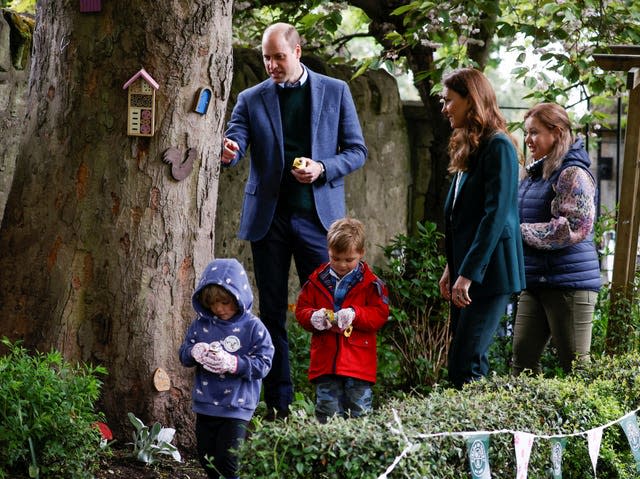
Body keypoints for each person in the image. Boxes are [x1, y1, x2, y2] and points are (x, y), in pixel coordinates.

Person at [221, 22, 367, 419]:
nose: (271, 64)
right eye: (266, 57)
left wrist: (322, 167)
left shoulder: (335, 92)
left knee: (327, 311)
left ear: (297, 52)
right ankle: (278, 406)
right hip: (268, 221)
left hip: (318, 221)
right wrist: (230, 151)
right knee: (271, 314)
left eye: (278, 57)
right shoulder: (251, 98)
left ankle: (331, 403)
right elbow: (236, 142)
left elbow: (357, 151)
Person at [437, 68, 526, 389]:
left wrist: (468, 273)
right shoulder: (470, 145)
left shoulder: (498, 146)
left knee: (466, 360)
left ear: (470, 100)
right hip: (470, 270)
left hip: (491, 274)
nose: (444, 108)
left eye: (449, 101)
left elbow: (495, 217)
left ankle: (476, 436)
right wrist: (453, 266)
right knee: (461, 361)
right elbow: (463, 217)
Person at [512, 103, 601, 375]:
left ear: (557, 132)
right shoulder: (536, 175)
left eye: (534, 133)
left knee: (576, 370)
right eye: (527, 133)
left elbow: (571, 230)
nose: (528, 140)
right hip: (536, 282)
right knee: (521, 366)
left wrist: (516, 232)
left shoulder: (573, 175)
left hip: (569, 286)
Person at [178, 258, 274, 479]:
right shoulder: (202, 325)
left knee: (228, 460)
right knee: (206, 457)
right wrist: (194, 352)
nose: (218, 309)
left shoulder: (252, 327)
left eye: (224, 302)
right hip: (206, 403)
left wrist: (234, 363)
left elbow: (264, 362)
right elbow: (184, 354)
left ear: (238, 296)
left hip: (236, 406)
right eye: (212, 304)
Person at [294, 217, 388, 423]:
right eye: (335, 258)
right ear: (328, 251)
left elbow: (380, 314)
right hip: (325, 361)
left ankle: (358, 453)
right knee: (326, 414)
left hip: (358, 363)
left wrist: (356, 314)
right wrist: (313, 317)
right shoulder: (316, 280)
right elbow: (301, 310)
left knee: (359, 414)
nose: (342, 265)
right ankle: (327, 455)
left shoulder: (372, 284)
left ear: (361, 253)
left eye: (349, 259)